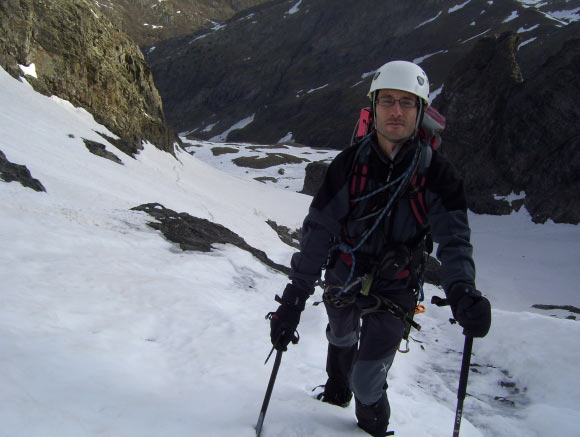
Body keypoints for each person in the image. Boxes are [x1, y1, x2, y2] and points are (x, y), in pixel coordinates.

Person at [268, 60, 491, 436]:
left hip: (395, 286)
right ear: (373, 107)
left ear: (420, 111)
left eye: (407, 103)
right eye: (387, 101)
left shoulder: (437, 174)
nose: (396, 111)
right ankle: (336, 390)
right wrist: (294, 297)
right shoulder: (348, 165)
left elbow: (454, 240)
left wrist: (462, 290)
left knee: (368, 380)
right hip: (344, 275)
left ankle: (370, 427)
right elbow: (318, 232)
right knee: (340, 335)